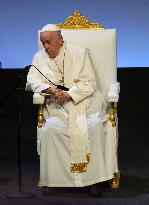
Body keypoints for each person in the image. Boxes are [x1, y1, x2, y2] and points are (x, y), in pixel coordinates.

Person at [27, 24, 116, 196]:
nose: (46, 47)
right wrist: (51, 90)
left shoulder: (80, 52)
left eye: (49, 42)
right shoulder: (39, 57)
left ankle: (93, 181)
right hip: (57, 109)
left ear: (60, 40)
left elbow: (89, 83)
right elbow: (32, 81)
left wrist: (69, 94)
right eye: (43, 43)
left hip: (85, 105)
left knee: (94, 126)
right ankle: (56, 180)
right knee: (51, 129)